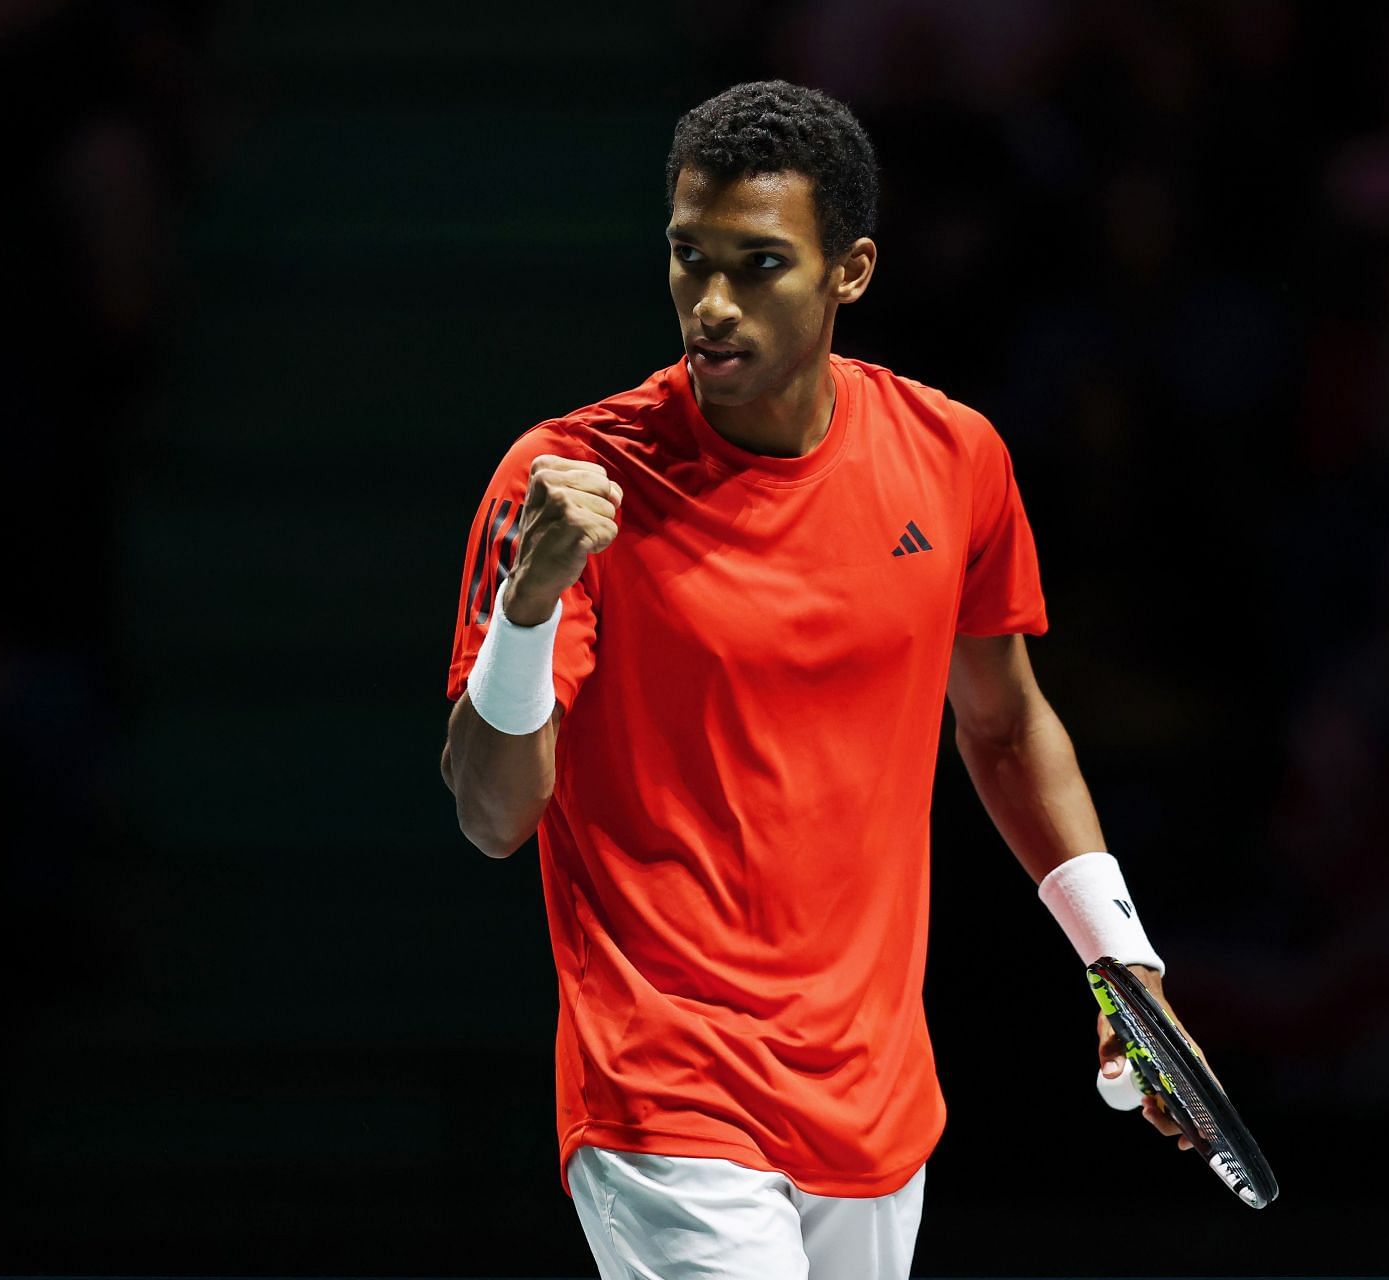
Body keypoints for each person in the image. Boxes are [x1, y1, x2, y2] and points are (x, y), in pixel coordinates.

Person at [440, 80, 1202, 1279]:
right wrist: (526, 608)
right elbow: (490, 813)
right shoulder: (567, 476)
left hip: (874, 1098)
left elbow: (1003, 729)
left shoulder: (953, 458)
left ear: (850, 272)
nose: (712, 302)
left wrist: (1122, 962)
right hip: (666, 1090)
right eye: (689, 258)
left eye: (759, 265)